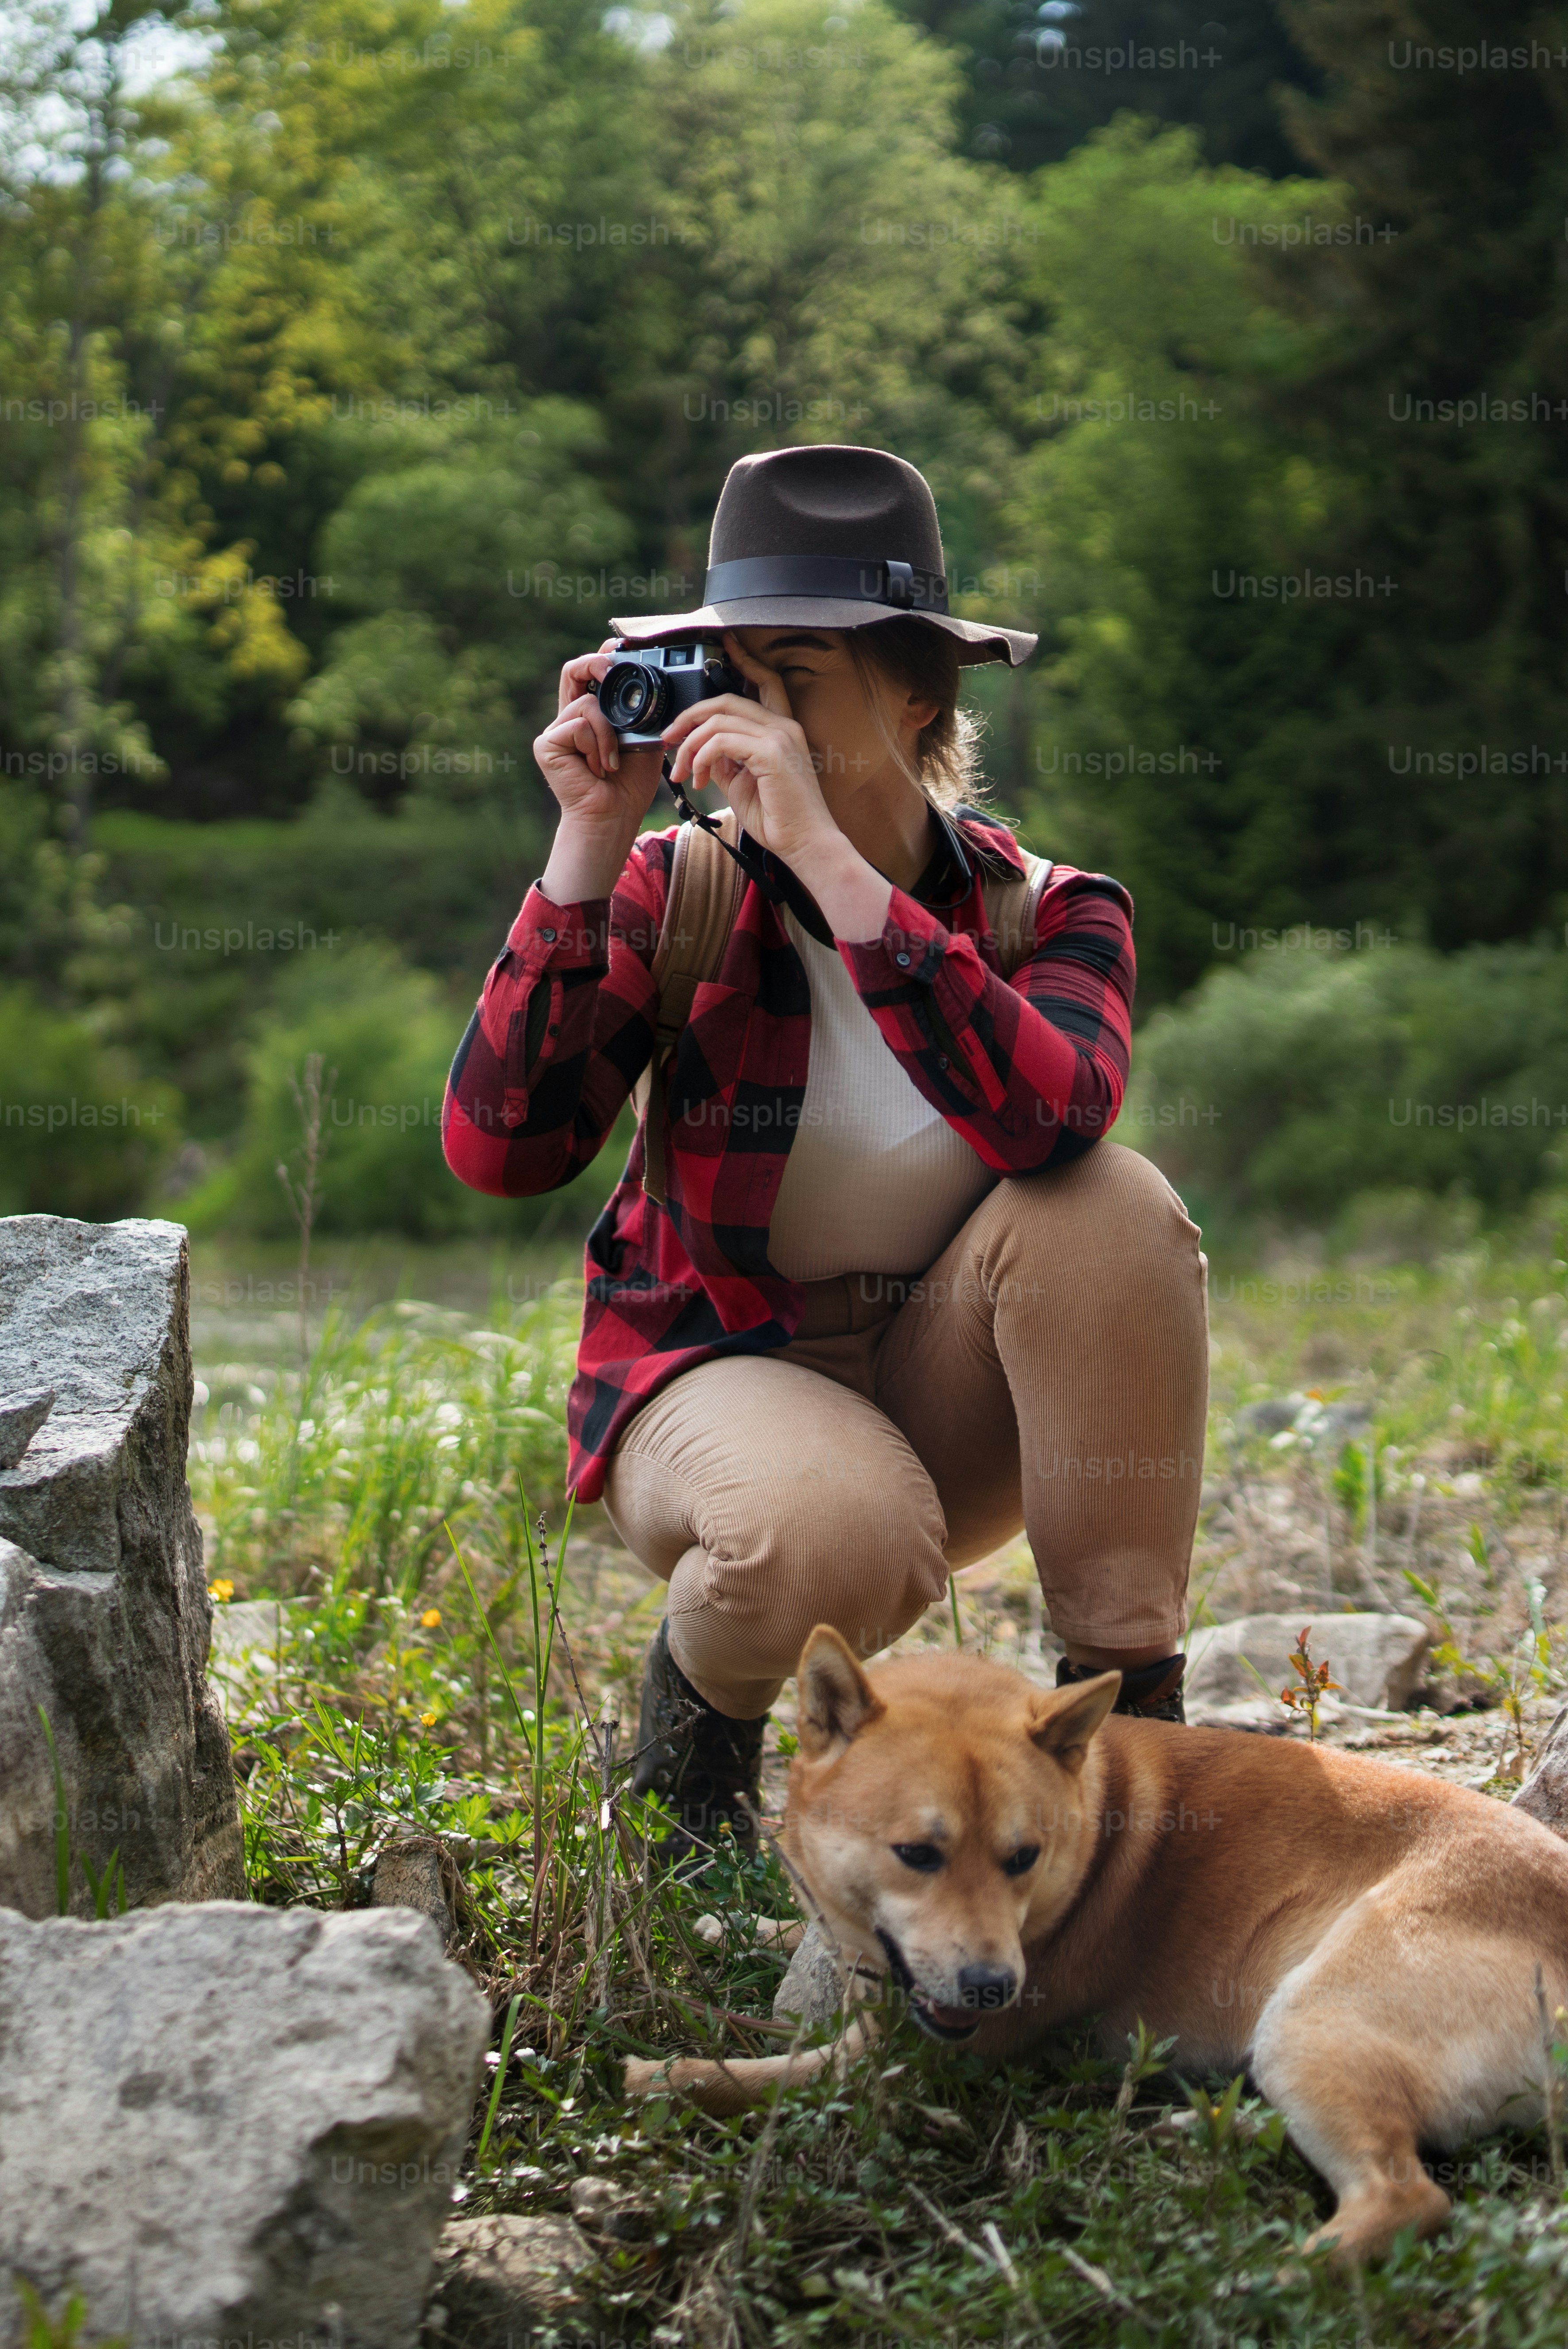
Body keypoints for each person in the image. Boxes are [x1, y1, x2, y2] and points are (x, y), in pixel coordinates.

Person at [440, 443, 1212, 1862]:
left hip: (947, 1383)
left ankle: (1136, 1726)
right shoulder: (676, 892)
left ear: (919, 694)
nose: (757, 722)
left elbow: (1054, 1114)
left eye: (799, 678)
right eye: (733, 677)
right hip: (723, 1379)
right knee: (826, 1537)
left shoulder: (1053, 916)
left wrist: (839, 873)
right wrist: (587, 848)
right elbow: (503, 1151)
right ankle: (692, 1746)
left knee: (1111, 1200)